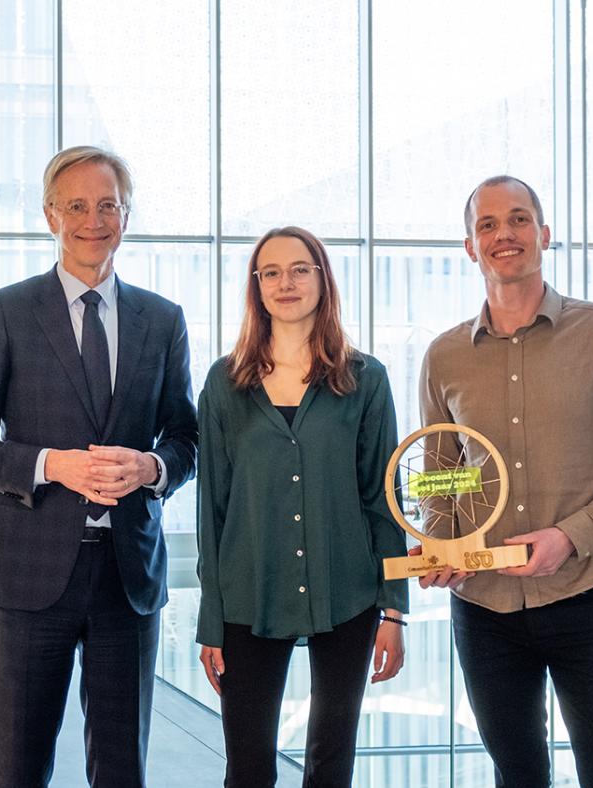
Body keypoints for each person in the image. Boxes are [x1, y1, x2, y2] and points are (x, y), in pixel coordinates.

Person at [0, 146, 199, 788]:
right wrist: (51, 464)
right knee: (19, 767)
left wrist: (152, 469)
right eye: (77, 205)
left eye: (107, 204)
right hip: (26, 576)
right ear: (50, 215)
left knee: (122, 770)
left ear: (126, 216)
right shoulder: (9, 311)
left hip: (127, 579)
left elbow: (186, 437)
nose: (93, 219)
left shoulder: (163, 320)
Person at [415, 176, 593, 788]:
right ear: (470, 247)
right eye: (487, 225)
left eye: (518, 219)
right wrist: (441, 543)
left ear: (544, 235)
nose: (503, 233)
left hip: (586, 596)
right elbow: (439, 477)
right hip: (482, 609)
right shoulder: (443, 355)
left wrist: (570, 535)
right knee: (518, 776)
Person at [195, 226, 410, 787]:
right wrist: (210, 620)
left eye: (299, 269)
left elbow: (383, 500)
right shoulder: (223, 384)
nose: (285, 282)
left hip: (350, 594)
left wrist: (393, 609)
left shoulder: (367, 380)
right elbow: (210, 509)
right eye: (271, 272)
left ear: (322, 279)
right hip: (250, 595)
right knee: (247, 766)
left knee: (331, 762)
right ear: (256, 286)